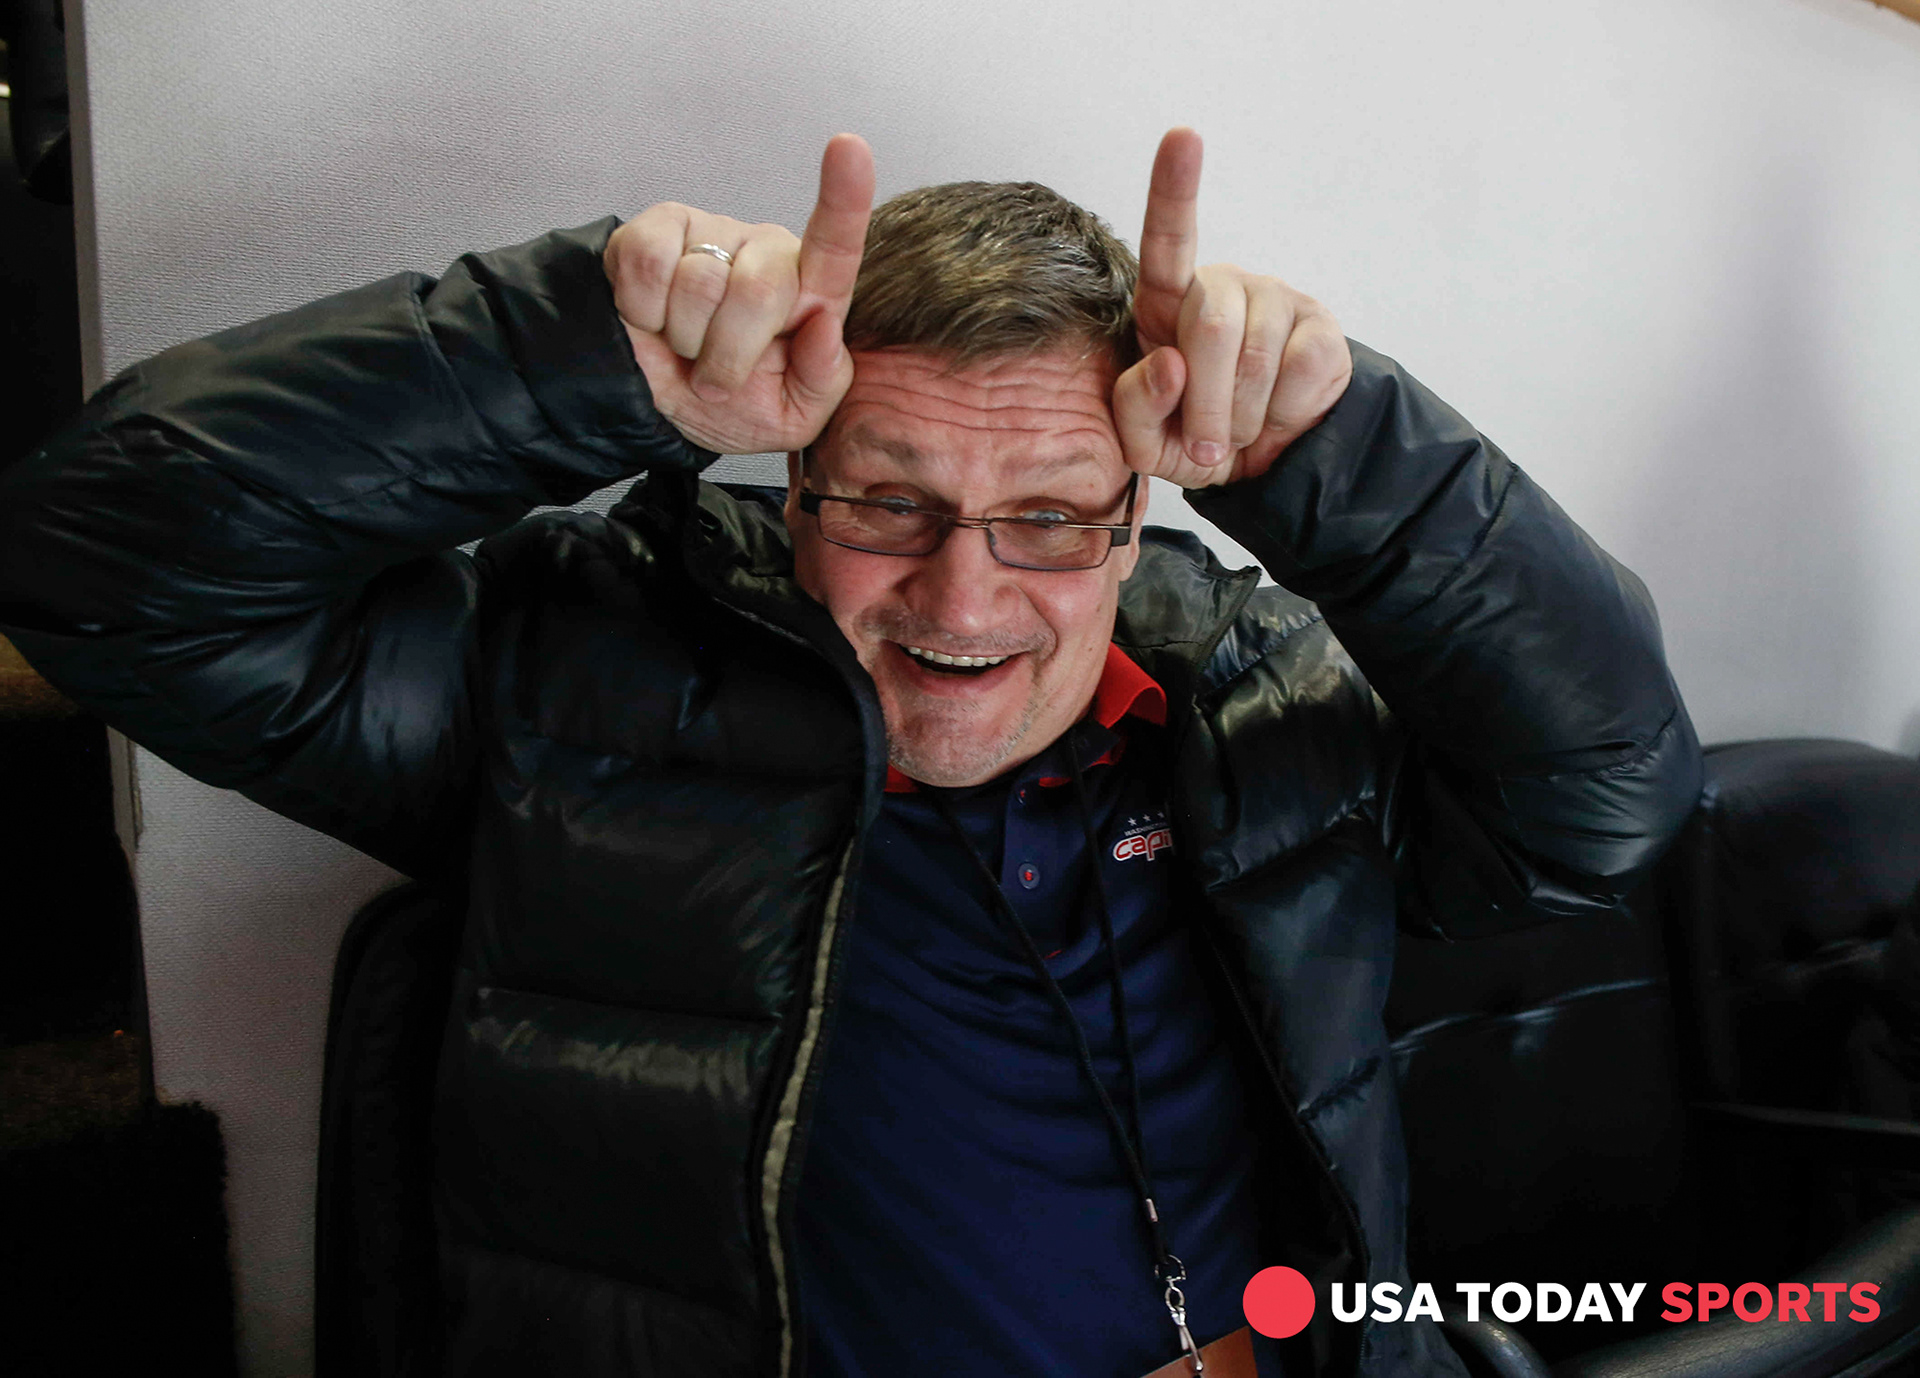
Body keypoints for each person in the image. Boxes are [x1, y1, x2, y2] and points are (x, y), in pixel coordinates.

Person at [0, 129, 1702, 1377]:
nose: (962, 597)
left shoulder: (1252, 703)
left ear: (1135, 523)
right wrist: (576, 355)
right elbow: (99, 567)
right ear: (793, 486)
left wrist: (1344, 455)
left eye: (1048, 517)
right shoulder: (581, 682)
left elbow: (1611, 796)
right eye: (890, 500)